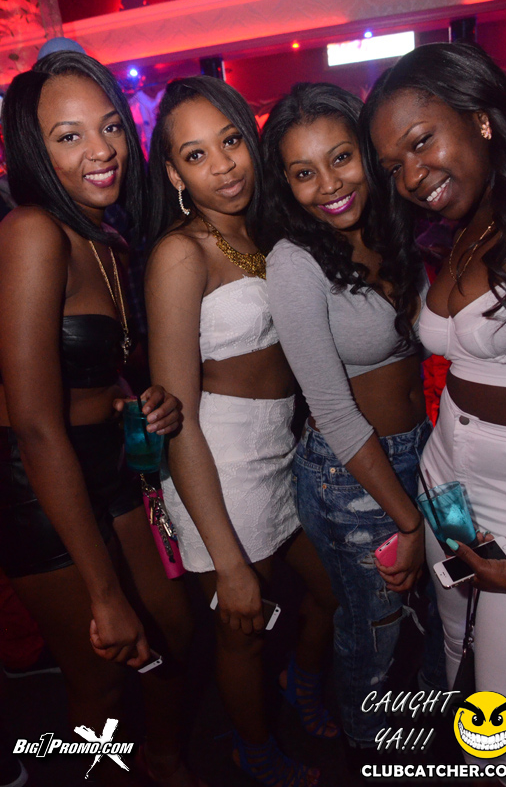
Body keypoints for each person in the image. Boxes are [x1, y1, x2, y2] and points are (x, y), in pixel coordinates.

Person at [0, 51, 203, 787]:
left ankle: (165, 759)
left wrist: (140, 394)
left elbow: (96, 359)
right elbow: (35, 423)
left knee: (174, 629)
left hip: (110, 459)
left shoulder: (110, 239)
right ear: (34, 150)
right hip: (39, 479)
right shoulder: (32, 231)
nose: (101, 150)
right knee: (102, 676)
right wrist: (104, 591)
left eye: (111, 126)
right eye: (69, 135)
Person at [145, 76, 339, 787]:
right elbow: (179, 419)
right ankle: (252, 751)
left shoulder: (261, 231)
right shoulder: (181, 254)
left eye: (230, 141)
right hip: (218, 466)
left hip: (280, 452)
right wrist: (225, 559)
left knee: (330, 593)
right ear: (174, 175)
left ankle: (300, 683)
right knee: (242, 629)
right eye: (195, 155)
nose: (222, 166)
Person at [362, 41, 506, 783]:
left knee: (505, 728)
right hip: (449, 493)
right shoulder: (469, 222)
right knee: (457, 647)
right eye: (394, 164)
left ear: (480, 117)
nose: (411, 176)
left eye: (421, 141)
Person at [260, 82, 440, 752]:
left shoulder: (395, 228)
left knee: (430, 609)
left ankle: (426, 726)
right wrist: (408, 519)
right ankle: (370, 748)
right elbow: (332, 411)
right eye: (303, 172)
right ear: (285, 184)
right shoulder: (293, 263)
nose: (329, 185)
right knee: (374, 627)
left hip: (420, 449)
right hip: (350, 475)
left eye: (340, 157)